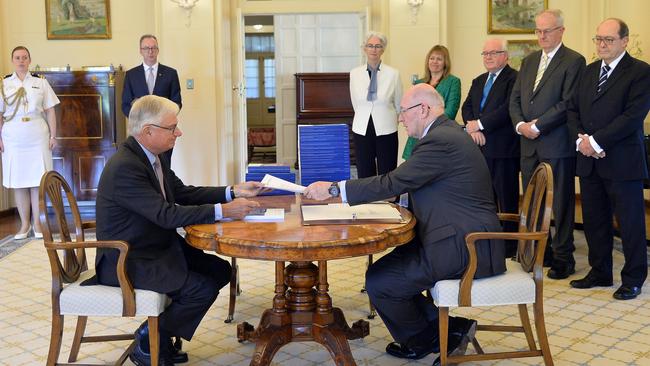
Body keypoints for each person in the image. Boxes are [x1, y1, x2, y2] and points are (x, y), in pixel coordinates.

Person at [304, 83, 505, 363]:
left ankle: (435, 336)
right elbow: (412, 184)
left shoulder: (441, 140)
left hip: (465, 245)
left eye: (403, 111)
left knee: (382, 281)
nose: (400, 118)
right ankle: (445, 331)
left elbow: (395, 181)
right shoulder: (444, 134)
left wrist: (336, 190)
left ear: (423, 109)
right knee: (380, 275)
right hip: (454, 235)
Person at [94, 95, 265, 365]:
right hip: (127, 259)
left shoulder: (152, 156)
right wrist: (223, 211)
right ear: (148, 131)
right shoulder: (126, 167)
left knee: (221, 271)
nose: (179, 132)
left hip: (155, 248)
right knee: (201, 289)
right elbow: (166, 215)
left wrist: (232, 191)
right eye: (172, 128)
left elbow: (182, 193)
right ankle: (149, 338)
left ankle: (158, 338)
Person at [568, 18, 650, 300]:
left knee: (630, 224)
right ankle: (600, 271)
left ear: (624, 41)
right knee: (594, 220)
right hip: (590, 160)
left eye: (609, 40)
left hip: (623, 161)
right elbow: (572, 109)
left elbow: (632, 117)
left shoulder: (641, 72)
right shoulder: (588, 72)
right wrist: (583, 141)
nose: (602, 45)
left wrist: (597, 141)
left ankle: (633, 278)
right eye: (598, 39)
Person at [509, 9, 585, 280]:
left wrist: (538, 126)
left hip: (556, 144)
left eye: (547, 31)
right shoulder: (529, 61)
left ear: (561, 31)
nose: (542, 36)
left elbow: (567, 103)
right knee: (533, 204)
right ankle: (541, 252)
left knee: (561, 204)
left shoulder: (574, 61)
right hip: (528, 146)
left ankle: (564, 258)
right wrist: (520, 125)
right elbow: (515, 98)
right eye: (538, 31)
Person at [462, 38, 519, 257]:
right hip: (479, 149)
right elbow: (467, 107)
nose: (488, 57)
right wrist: (473, 129)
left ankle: (509, 246)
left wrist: (481, 125)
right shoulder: (478, 80)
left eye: (493, 53)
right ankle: (489, 238)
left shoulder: (515, 78)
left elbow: (507, 110)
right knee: (484, 198)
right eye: (485, 53)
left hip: (504, 150)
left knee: (507, 199)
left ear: (505, 55)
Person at [0, 46, 59, 240]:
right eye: (17, 58)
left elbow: (50, 110)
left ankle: (38, 224)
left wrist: (53, 136)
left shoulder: (40, 83)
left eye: (24, 57)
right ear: (12, 60)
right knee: (19, 182)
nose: (21, 61)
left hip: (37, 134)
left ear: (30, 59)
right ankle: (24, 225)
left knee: (37, 182)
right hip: (13, 136)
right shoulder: (4, 84)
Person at [349, 31, 402, 178]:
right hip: (362, 127)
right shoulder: (355, 73)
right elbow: (355, 102)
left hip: (387, 127)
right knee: (365, 170)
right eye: (370, 46)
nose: (374, 49)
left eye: (378, 46)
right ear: (364, 48)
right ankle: (366, 200)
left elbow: (399, 103)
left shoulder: (393, 74)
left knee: (388, 169)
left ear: (383, 49)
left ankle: (390, 200)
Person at [122, 34, 182, 162]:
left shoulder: (170, 74)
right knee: (142, 164)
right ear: (140, 51)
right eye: (146, 48)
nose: (150, 51)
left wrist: (164, 119)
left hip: (164, 131)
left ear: (158, 50)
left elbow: (177, 102)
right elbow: (125, 105)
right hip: (141, 132)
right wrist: (140, 120)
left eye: (153, 48)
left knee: (164, 166)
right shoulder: (131, 75)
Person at [402, 44, 461, 160]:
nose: (435, 62)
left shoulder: (453, 82)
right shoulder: (419, 82)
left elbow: (451, 111)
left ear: (445, 63)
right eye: (432, 58)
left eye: (439, 59)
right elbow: (411, 108)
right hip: (417, 135)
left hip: (439, 134)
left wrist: (429, 126)